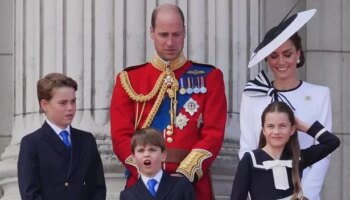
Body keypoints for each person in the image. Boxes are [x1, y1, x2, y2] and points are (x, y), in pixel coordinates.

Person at [110, 3, 227, 200]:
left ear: (185, 32)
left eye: (176, 34)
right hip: (143, 184)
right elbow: (120, 137)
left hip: (191, 185)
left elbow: (213, 134)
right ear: (152, 32)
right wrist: (146, 171)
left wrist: (185, 173)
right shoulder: (129, 79)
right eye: (164, 35)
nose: (170, 42)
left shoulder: (210, 77)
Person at [239, 9, 332, 200]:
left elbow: (323, 153)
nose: (281, 62)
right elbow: (247, 149)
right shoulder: (252, 95)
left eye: (287, 54)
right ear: (267, 59)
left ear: (298, 54)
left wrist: (302, 195)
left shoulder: (319, 94)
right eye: (274, 56)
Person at [18, 73, 106, 200]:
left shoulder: (86, 140)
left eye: (73, 101)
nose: (70, 108)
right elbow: (30, 194)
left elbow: (98, 188)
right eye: (63, 103)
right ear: (44, 105)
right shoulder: (31, 143)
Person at [231, 102, 340, 200]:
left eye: (282, 126)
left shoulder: (298, 157)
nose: (276, 131)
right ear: (263, 130)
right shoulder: (250, 159)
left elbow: (332, 142)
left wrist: (302, 125)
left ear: (292, 129)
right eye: (270, 126)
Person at [119, 128, 196, 200]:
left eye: (152, 150)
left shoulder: (181, 186)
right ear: (133, 158)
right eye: (141, 151)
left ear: (163, 155)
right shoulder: (127, 195)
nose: (146, 154)